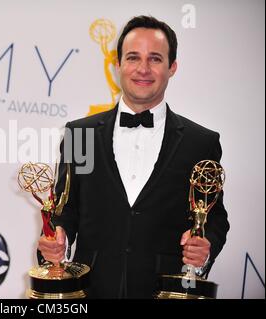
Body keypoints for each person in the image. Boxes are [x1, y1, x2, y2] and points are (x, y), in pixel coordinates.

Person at [37, 15, 230, 298]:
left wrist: (205, 247)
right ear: (118, 65)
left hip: (165, 291)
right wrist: (57, 242)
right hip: (90, 291)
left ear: (172, 67)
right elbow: (66, 209)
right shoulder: (82, 134)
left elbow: (214, 219)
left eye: (155, 59)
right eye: (132, 57)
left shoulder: (200, 142)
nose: (142, 69)